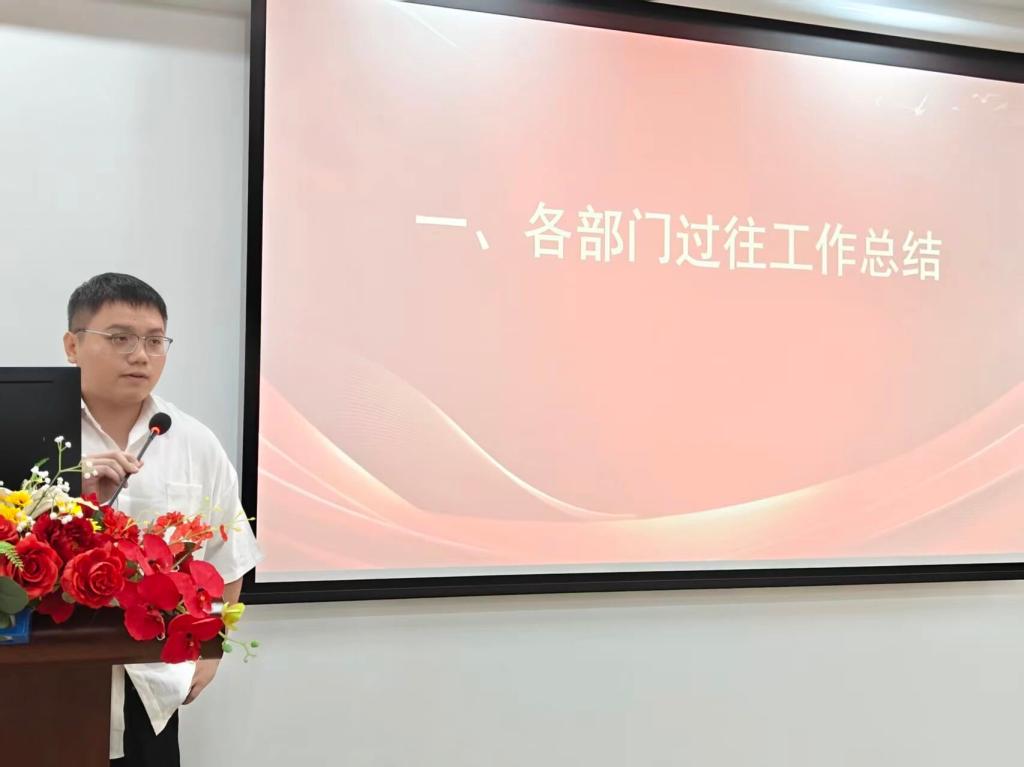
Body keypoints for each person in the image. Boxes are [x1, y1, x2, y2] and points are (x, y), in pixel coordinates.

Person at [63, 272, 262, 767]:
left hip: (151, 680)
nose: (141, 355)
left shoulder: (194, 442)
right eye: (120, 338)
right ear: (72, 346)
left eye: (155, 341)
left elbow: (228, 555)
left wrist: (212, 647)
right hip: (45, 676)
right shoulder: (28, 431)